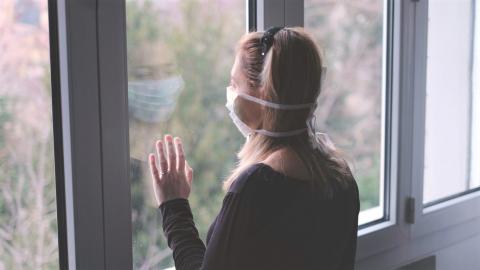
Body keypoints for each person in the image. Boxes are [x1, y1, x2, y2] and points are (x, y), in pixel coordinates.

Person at [148, 26, 360, 270]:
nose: (231, 94)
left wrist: (174, 206)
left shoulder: (257, 187)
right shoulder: (340, 176)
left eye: (234, 84)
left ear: (264, 94)